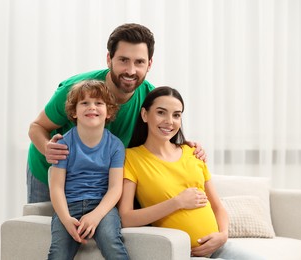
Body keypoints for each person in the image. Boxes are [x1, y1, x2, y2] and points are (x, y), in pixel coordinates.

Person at [27, 23, 206, 203]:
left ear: (149, 64)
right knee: (42, 228)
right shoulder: (76, 90)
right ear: (109, 59)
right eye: (123, 60)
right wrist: (47, 149)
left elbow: (160, 133)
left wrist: (182, 146)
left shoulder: (150, 99)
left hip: (99, 179)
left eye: (139, 62)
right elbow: (37, 126)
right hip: (52, 171)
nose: (131, 70)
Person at [118, 87, 264, 259]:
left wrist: (223, 235)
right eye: (161, 112)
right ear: (144, 115)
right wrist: (178, 202)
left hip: (219, 247)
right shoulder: (131, 158)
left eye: (176, 115)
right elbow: (126, 218)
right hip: (183, 253)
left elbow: (217, 207)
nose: (169, 121)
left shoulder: (192, 152)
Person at [47, 80, 129, 260]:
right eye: (84, 103)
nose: (92, 107)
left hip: (102, 206)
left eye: (98, 103)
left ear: (109, 112)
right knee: (58, 252)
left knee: (111, 242)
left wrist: (96, 215)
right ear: (74, 112)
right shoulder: (63, 144)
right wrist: (66, 219)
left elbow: (115, 188)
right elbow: (56, 187)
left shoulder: (115, 146)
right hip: (68, 205)